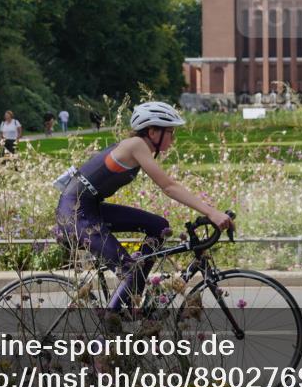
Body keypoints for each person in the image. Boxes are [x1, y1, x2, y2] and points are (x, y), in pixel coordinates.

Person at [54, 102, 233, 309]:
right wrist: (211, 212)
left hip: (89, 208)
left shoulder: (137, 146)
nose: (173, 139)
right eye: (170, 132)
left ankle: (132, 298)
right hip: (76, 214)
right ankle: (104, 335)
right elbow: (168, 186)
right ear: (153, 131)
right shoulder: (136, 145)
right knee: (130, 271)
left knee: (159, 226)